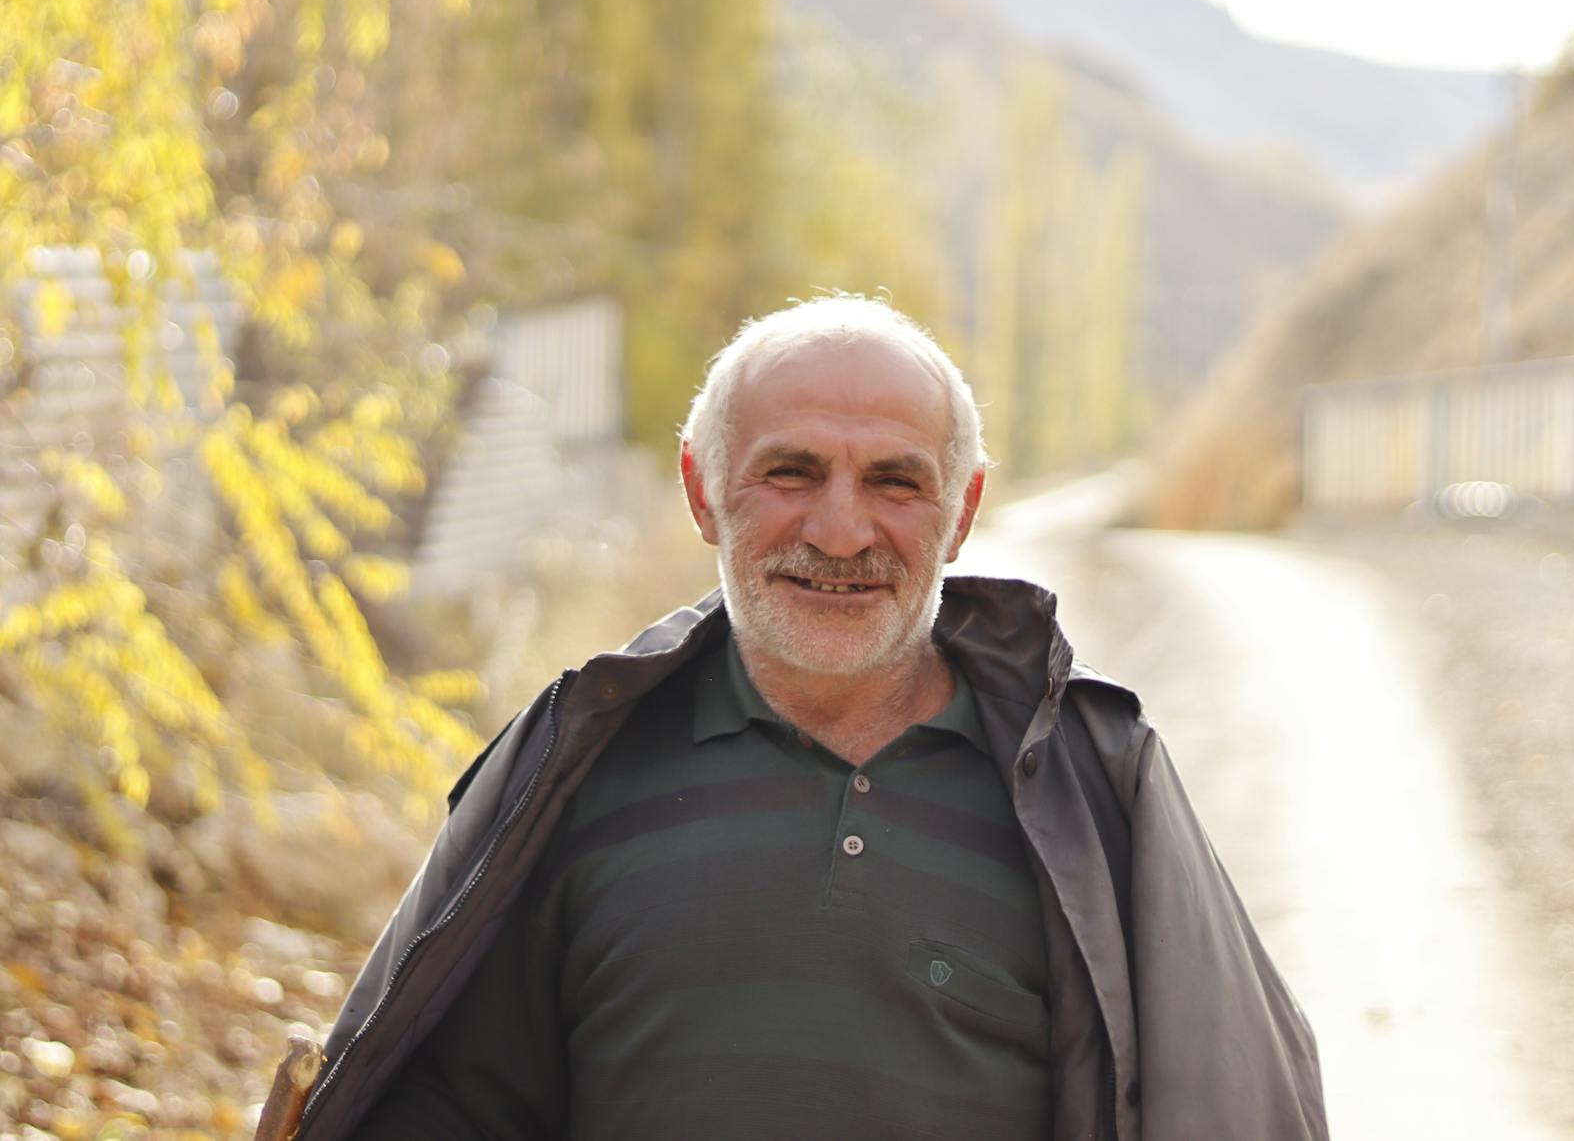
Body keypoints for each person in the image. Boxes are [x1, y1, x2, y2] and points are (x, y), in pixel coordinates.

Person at [288, 295, 1328, 1141]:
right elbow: (444, 1108)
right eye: (791, 472)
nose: (840, 530)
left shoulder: (1091, 790)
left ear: (962, 512)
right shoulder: (577, 770)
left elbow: (1234, 1108)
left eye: (895, 482)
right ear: (703, 493)